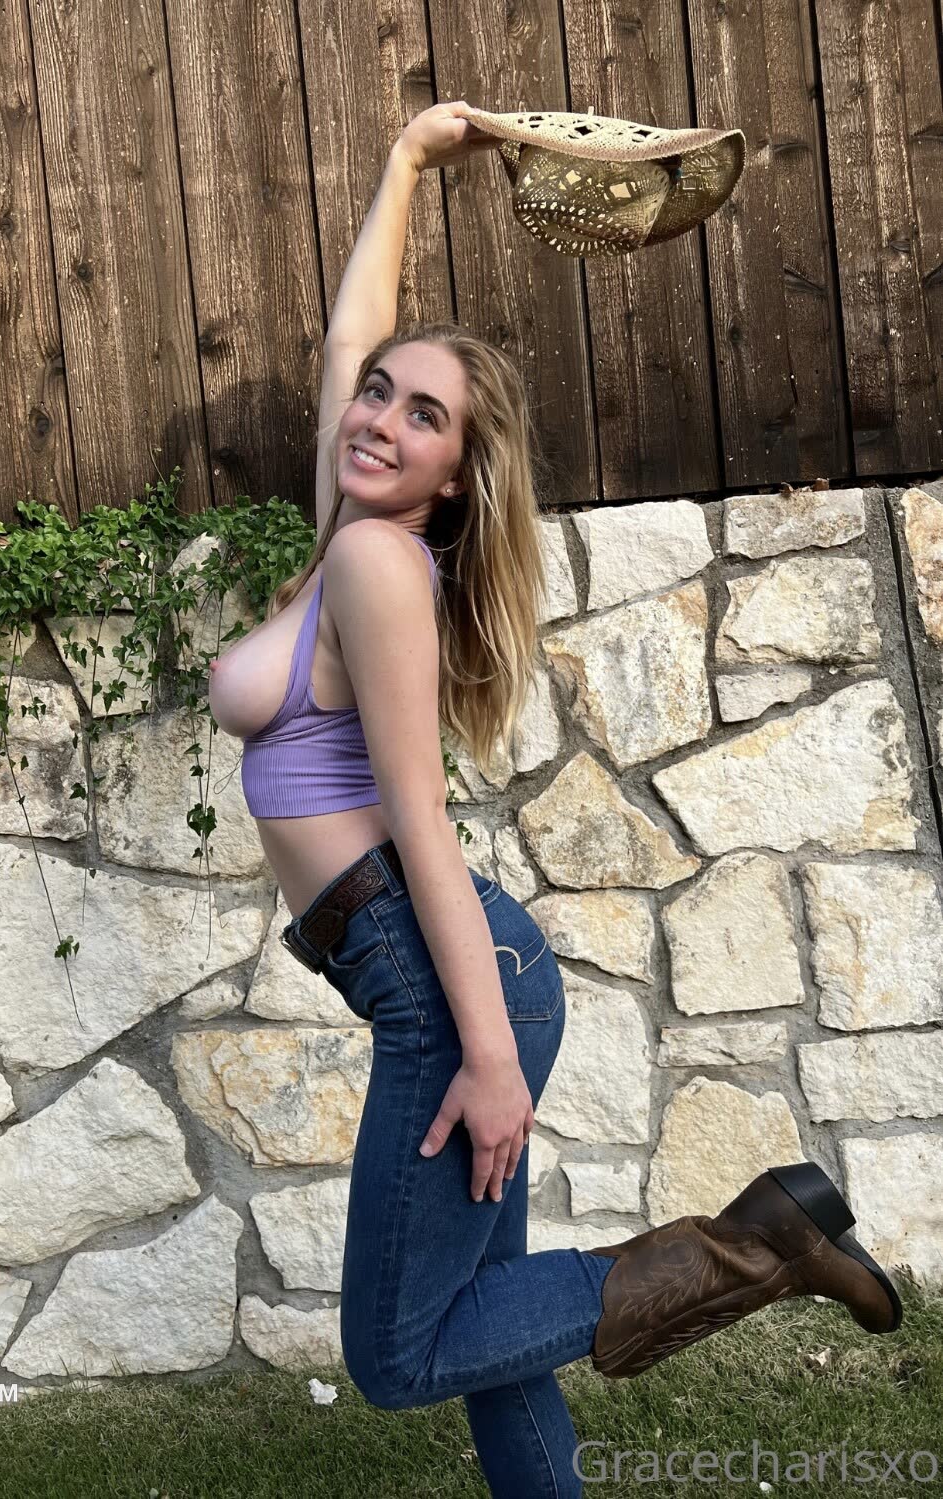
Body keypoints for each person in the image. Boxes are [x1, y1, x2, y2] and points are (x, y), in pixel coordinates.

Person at [210, 100, 903, 1499]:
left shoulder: (377, 565)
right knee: (490, 1324)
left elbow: (418, 819)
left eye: (422, 415)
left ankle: (755, 1249)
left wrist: (487, 1054)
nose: (376, 418)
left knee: (400, 1354)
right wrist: (408, 159)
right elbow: (350, 338)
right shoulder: (355, 529)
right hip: (439, 965)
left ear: (457, 469)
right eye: (377, 396)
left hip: (437, 976)